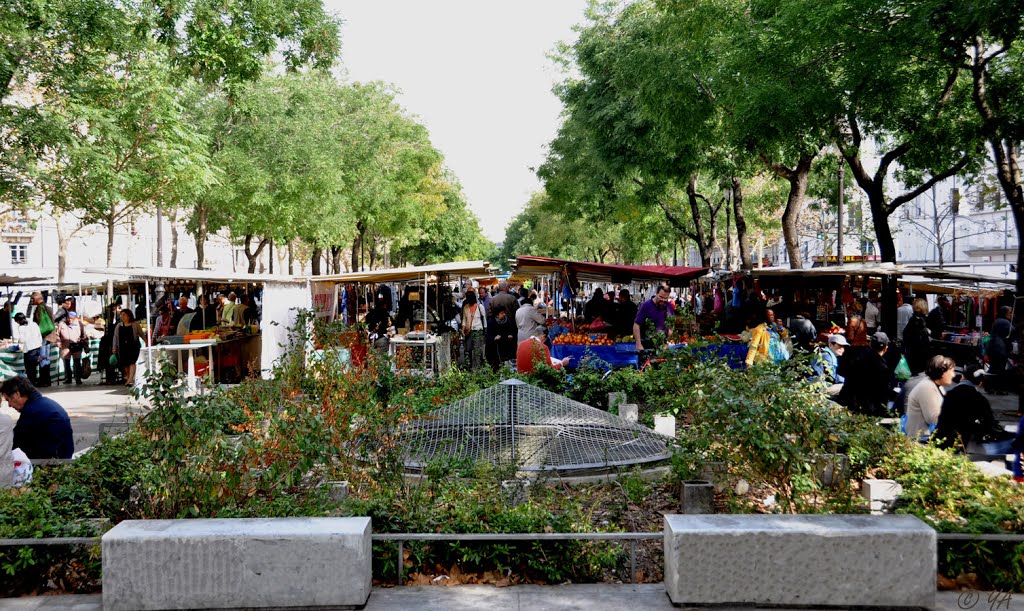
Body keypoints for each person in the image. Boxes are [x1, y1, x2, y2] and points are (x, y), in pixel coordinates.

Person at [933, 363, 1011, 452]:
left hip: (943, 442)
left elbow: (942, 421)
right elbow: (989, 425)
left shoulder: (950, 395)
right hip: (966, 445)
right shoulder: (980, 399)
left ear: (962, 377)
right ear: (980, 383)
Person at [2, 375, 73, 459]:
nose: (9, 405)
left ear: (17, 394)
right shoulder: (44, 403)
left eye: (8, 400)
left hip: (50, 463)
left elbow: (14, 442)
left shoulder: (32, 411)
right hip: (63, 458)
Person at [839, 332, 893, 417]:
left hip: (852, 407)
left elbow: (848, 384)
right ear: (886, 348)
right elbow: (884, 395)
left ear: (870, 344)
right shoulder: (883, 368)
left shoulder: (857, 359)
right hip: (871, 411)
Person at [905, 355, 956, 440]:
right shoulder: (927, 387)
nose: (953, 375)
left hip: (926, 436)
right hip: (920, 439)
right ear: (942, 372)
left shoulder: (936, 385)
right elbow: (933, 418)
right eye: (952, 371)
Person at [26, 291, 54, 387]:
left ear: (38, 299)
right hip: (49, 335)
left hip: (42, 336)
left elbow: (36, 323)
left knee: (42, 358)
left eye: (33, 299)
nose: (32, 301)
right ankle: (47, 380)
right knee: (46, 358)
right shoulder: (48, 308)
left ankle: (43, 381)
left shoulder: (39, 308)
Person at [634, 284, 671, 352]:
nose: (663, 300)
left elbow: (671, 324)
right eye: (661, 297)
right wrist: (638, 344)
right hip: (646, 345)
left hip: (662, 345)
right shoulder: (646, 306)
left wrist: (668, 341)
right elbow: (636, 325)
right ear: (656, 293)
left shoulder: (668, 306)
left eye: (665, 298)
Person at [11, 312, 44, 387]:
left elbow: (22, 340)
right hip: (38, 347)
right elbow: (39, 335)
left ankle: (32, 384)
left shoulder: (21, 328)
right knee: (36, 367)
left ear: (19, 321)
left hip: (29, 349)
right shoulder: (34, 324)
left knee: (30, 369)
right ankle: (37, 382)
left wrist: (17, 347)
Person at [113, 309, 143, 386]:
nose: (122, 317)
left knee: (132, 362)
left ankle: (130, 379)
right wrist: (114, 347)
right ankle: (129, 377)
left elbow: (141, 334)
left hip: (133, 347)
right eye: (121, 315)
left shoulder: (135, 324)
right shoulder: (118, 326)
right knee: (125, 364)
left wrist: (147, 342)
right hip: (123, 348)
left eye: (124, 315)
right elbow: (115, 337)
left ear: (129, 316)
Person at [902, 298, 932, 375]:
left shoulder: (914, 319)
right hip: (919, 354)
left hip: (912, 353)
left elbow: (905, 334)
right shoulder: (919, 320)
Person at [57, 311, 88, 385]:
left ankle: (78, 378)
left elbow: (84, 336)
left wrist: (86, 346)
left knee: (77, 362)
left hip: (77, 345)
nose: (70, 320)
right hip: (65, 346)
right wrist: (58, 342)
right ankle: (68, 378)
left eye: (72, 319)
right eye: (68, 318)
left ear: (75, 318)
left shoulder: (80, 324)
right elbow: (57, 334)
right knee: (66, 363)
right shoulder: (62, 324)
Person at [460, 290, 487, 371]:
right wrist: (462, 330)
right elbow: (464, 320)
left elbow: (484, 319)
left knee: (477, 350)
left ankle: (476, 367)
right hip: (468, 331)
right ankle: (470, 365)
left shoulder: (480, 307)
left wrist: (485, 330)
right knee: (468, 349)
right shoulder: (466, 307)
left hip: (478, 330)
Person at [486, 304, 517, 370]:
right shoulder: (491, 322)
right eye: (502, 313)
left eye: (504, 313)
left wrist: (511, 335)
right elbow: (488, 336)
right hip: (495, 349)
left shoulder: (508, 321)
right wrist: (494, 338)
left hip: (506, 347)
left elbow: (513, 331)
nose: (504, 314)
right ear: (497, 315)